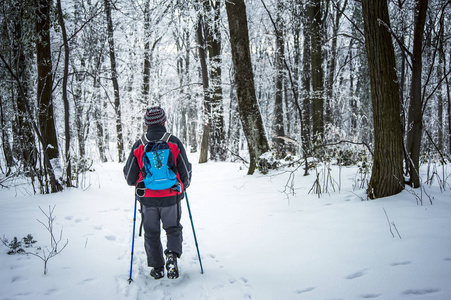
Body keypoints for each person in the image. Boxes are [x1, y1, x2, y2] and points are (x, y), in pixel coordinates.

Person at [123, 106, 192, 279]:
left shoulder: (139, 145)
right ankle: (172, 256)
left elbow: (129, 177)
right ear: (164, 121)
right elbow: (185, 171)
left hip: (148, 199)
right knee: (173, 228)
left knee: (151, 233)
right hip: (172, 196)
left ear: (146, 124)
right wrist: (183, 187)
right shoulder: (174, 142)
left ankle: (157, 268)